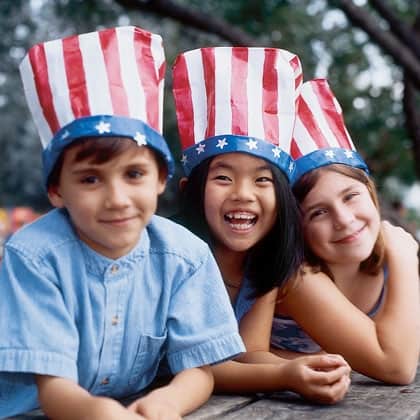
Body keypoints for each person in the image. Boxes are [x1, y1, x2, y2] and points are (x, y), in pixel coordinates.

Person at [0, 26, 245, 419]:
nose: (117, 199)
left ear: (161, 180)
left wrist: (167, 402)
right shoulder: (34, 257)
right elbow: (53, 389)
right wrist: (102, 414)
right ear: (57, 191)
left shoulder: (186, 257)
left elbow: (198, 368)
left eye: (134, 175)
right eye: (90, 179)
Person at [172, 46, 351, 404]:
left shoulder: (262, 264)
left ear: (283, 198)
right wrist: (285, 374)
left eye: (262, 180)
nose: (243, 194)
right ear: (190, 190)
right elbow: (203, 366)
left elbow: (248, 352)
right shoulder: (175, 259)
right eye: (223, 178)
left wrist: (307, 367)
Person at [271, 78, 420, 384]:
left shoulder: (385, 267)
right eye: (318, 212)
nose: (343, 219)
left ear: (371, 192)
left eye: (351, 196)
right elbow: (397, 367)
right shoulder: (298, 277)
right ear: (297, 226)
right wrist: (406, 257)